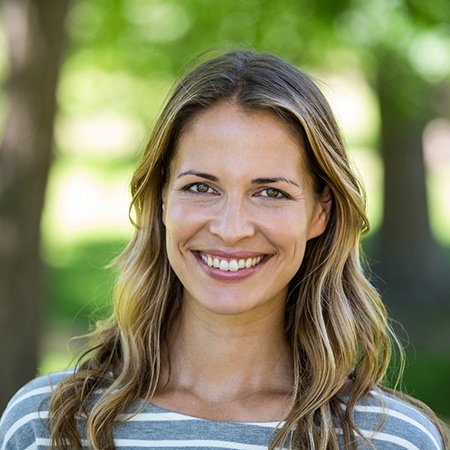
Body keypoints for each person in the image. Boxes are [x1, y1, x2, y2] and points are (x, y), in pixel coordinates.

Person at [0, 50, 449, 450]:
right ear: (161, 200)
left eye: (271, 193)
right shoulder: (46, 424)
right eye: (200, 187)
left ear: (320, 213)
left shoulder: (391, 439)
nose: (231, 229)